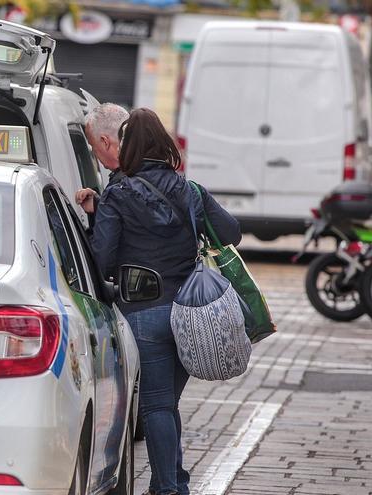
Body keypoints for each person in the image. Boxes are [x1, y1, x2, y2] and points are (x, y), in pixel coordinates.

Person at [90, 108, 241, 495]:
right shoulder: (189, 190)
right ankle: (174, 483)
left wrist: (97, 218)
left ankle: (168, 489)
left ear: (129, 147)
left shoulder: (117, 193)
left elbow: (103, 260)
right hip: (193, 312)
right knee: (167, 404)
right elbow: (231, 232)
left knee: (156, 406)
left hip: (144, 310)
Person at [74, 103, 129, 215]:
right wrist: (99, 205)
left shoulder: (122, 187)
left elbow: (113, 230)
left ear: (105, 142)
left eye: (92, 145)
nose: (93, 152)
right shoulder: (152, 172)